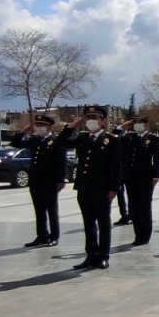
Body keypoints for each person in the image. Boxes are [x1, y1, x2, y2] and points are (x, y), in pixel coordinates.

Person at [66, 105, 123, 269]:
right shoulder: (83, 139)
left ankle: (104, 256)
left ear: (103, 121)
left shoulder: (110, 140)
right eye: (88, 118)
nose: (91, 121)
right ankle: (91, 255)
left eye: (95, 117)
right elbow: (61, 143)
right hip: (84, 187)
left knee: (103, 223)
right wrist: (72, 126)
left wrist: (114, 189)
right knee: (88, 222)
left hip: (103, 189)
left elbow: (117, 167)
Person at [11, 115, 69, 247]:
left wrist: (60, 180)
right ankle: (42, 235)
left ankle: (54, 236)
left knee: (52, 210)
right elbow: (15, 143)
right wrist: (24, 130)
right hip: (36, 180)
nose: (39, 128)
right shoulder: (35, 140)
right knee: (39, 209)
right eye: (37, 125)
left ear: (49, 127)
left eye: (42, 125)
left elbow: (61, 162)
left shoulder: (56, 141)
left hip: (50, 180)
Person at [120, 115, 159, 246]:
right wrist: (123, 125)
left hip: (145, 177)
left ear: (146, 125)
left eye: (140, 123)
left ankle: (145, 235)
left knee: (144, 206)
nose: (137, 125)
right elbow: (115, 136)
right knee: (133, 206)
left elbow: (156, 159)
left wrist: (156, 176)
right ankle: (138, 234)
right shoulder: (129, 137)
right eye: (135, 122)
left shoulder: (152, 139)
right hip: (130, 176)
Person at [111, 124, 131, 226]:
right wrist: (118, 129)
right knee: (119, 193)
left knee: (131, 194)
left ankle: (132, 215)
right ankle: (124, 215)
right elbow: (113, 136)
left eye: (123, 124)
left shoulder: (130, 137)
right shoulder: (115, 138)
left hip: (129, 170)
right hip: (119, 170)